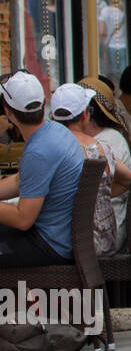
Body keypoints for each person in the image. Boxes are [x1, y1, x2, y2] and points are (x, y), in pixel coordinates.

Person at [0, 73, 88, 267]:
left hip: (50, 246)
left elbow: (23, 219)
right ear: (43, 102)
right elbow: (20, 181)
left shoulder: (39, 151)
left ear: (9, 113)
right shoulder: (55, 131)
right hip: (62, 238)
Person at [51, 84, 130, 256]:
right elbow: (128, 179)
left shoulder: (50, 149)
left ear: (52, 117)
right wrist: (94, 198)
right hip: (104, 238)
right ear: (85, 115)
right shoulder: (100, 148)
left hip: (70, 242)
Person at [76, 77, 131, 249]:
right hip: (88, 228)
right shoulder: (97, 140)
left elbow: (96, 191)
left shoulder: (107, 141)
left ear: (88, 113)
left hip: (103, 232)